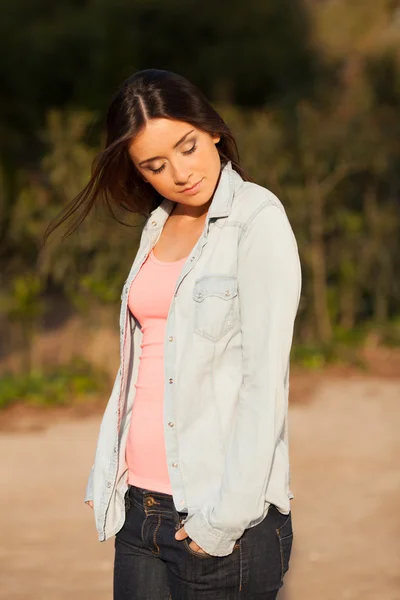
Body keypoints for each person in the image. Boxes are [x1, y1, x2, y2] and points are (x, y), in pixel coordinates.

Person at [47, 68, 302, 599]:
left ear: (211, 129)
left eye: (187, 147)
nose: (181, 174)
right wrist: (107, 472)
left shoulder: (257, 219)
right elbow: (142, 358)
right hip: (139, 511)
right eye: (155, 165)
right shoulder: (159, 223)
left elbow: (264, 384)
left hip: (214, 518)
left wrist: (222, 521)